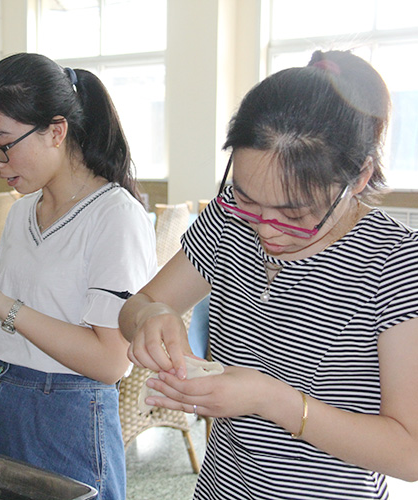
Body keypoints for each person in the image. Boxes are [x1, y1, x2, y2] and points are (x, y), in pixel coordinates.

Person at [119, 50, 418, 500]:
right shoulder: (228, 220)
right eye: (248, 199)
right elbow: (136, 307)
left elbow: (409, 453)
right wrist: (151, 317)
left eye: (294, 213)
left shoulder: (395, 261)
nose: (264, 228)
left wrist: (270, 399)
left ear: (358, 178)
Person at [0, 53, 157, 500]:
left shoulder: (115, 215)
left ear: (56, 131)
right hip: (1, 399)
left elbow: (110, 362)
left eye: (3, 144)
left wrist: (3, 305)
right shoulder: (23, 211)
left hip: (69, 420)